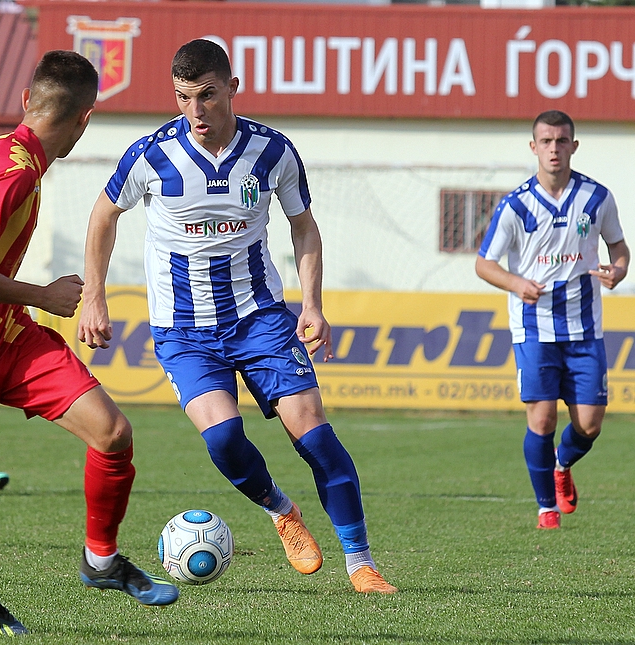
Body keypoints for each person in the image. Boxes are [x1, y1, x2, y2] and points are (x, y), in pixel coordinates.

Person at [79, 39, 396, 594]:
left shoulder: (272, 151)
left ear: (232, 87)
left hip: (260, 318)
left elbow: (303, 227)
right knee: (224, 439)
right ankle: (281, 509)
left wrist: (313, 303)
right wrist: (94, 295)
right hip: (184, 330)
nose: (195, 110)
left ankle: (360, 562)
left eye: (206, 95)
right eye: (183, 98)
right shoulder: (151, 155)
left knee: (317, 438)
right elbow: (104, 215)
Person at [0, 50, 178, 635]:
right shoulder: (14, 173)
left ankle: (101, 560)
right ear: (84, 120)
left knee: (113, 433)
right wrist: (42, 295)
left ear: (27, 100)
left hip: (4, 334)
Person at [476, 110, 628, 530]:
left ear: (574, 146)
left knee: (589, 425)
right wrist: (515, 283)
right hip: (534, 327)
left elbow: (619, 248)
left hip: (584, 328)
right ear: (534, 147)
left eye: (562, 140)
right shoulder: (516, 205)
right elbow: (484, 263)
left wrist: (617, 271)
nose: (554, 148)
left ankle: (562, 463)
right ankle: (546, 508)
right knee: (541, 419)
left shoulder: (597, 198)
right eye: (546, 141)